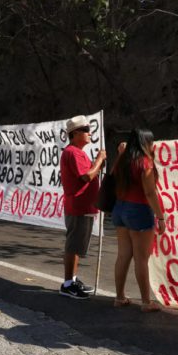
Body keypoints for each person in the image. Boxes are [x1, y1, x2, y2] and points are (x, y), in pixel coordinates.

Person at [111, 129, 165, 312]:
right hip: (139, 211)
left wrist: (120, 154)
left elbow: (111, 175)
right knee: (141, 259)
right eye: (151, 142)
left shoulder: (123, 160)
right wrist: (160, 216)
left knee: (123, 255)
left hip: (119, 209)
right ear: (146, 143)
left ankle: (119, 297)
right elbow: (150, 193)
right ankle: (145, 302)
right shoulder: (145, 163)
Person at [59, 115, 106, 300]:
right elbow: (86, 176)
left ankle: (73, 280)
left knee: (78, 245)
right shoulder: (73, 152)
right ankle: (67, 284)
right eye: (86, 130)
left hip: (84, 205)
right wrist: (100, 160)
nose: (90, 133)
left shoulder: (78, 152)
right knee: (73, 245)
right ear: (76, 133)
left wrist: (96, 163)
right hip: (78, 205)